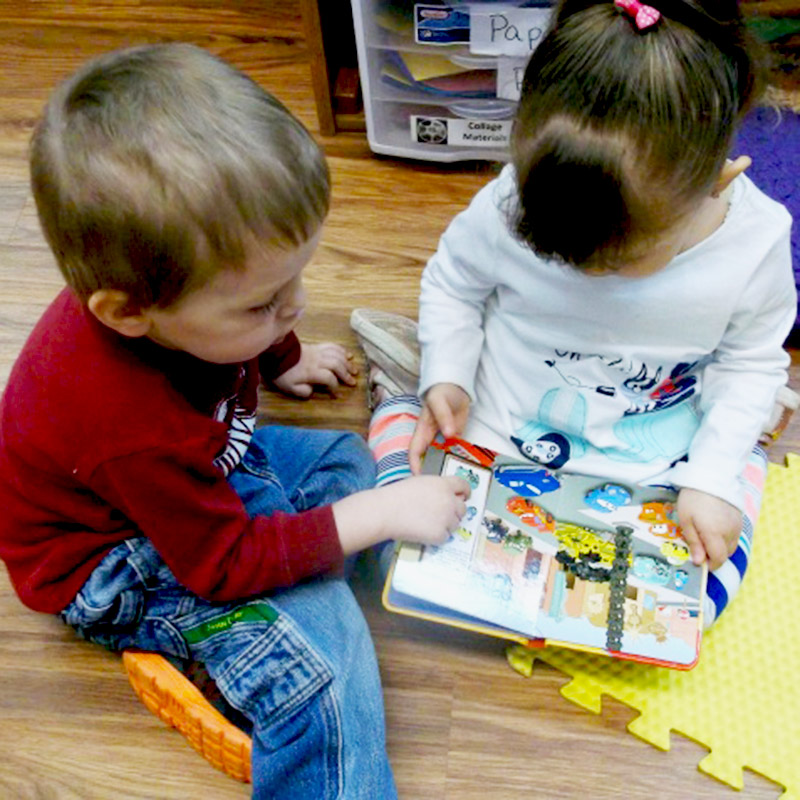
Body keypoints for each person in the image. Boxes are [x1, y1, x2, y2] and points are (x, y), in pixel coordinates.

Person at [0, 43, 471, 799]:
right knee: (327, 665)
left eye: (295, 281)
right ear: (127, 313)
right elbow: (218, 561)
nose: (296, 306)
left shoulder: (172, 299)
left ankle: (268, 618)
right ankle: (259, 652)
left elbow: (258, 314)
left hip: (198, 478)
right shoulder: (130, 424)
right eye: (262, 305)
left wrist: (280, 352)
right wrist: (371, 517)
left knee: (343, 464)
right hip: (113, 557)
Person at [352, 0, 798, 629]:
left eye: (619, 258)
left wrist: (713, 479)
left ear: (719, 179)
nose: (588, 271)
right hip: (503, 432)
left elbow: (750, 361)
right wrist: (446, 373)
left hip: (656, 456)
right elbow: (453, 284)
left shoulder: (755, 243)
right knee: (402, 542)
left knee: (694, 599)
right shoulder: (511, 199)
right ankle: (402, 406)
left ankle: (732, 472)